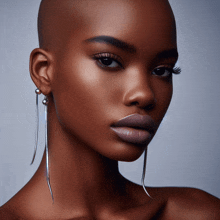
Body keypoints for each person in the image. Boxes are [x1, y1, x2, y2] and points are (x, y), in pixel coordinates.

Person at [0, 0, 220, 219]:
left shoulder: (201, 213)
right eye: (108, 61)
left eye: (162, 70)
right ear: (43, 71)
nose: (145, 94)